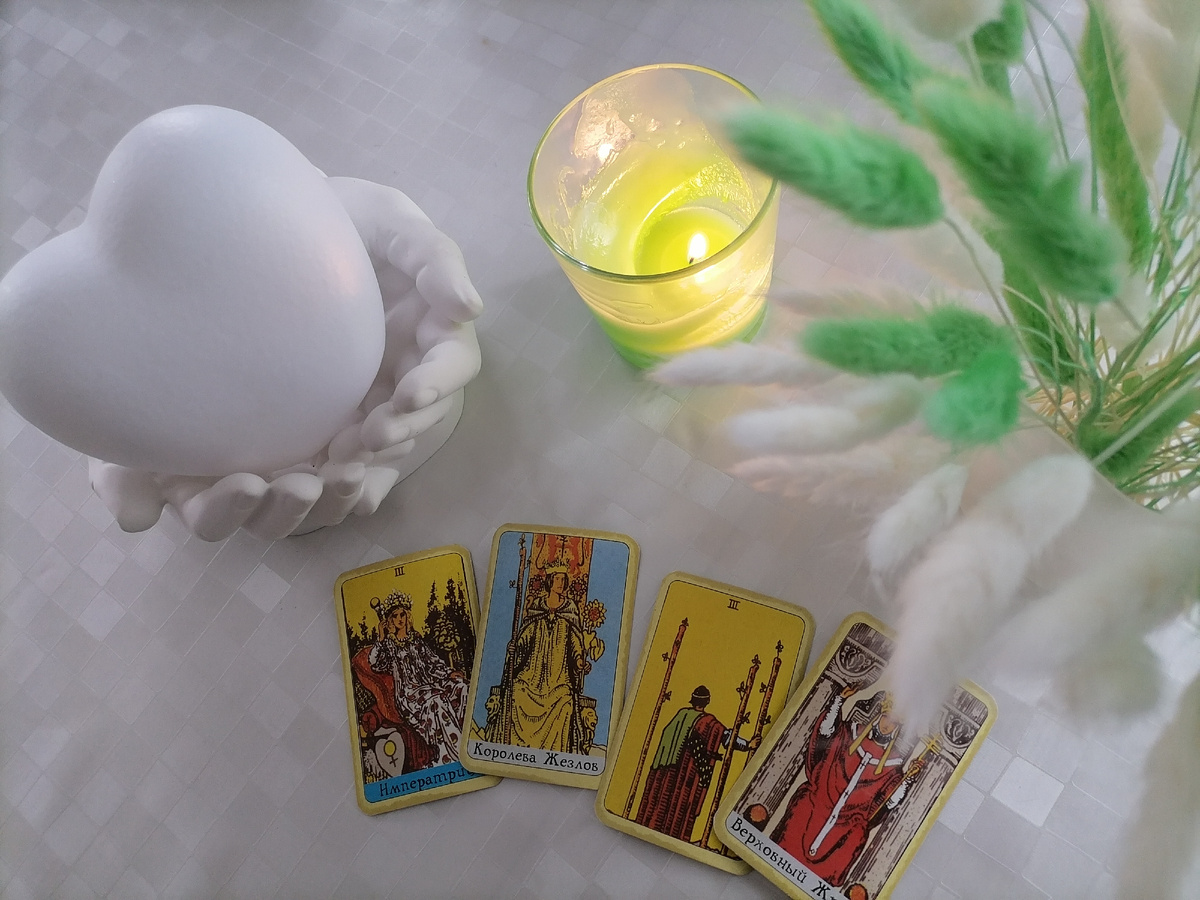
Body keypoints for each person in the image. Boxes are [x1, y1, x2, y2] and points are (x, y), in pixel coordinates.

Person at [770, 683, 925, 886]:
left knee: (856, 836)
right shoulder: (849, 733)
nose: (887, 725)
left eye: (893, 722)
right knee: (802, 805)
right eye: (886, 718)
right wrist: (839, 701)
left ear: (897, 728)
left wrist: (909, 778)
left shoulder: (892, 765)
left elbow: (887, 802)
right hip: (817, 806)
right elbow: (825, 734)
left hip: (846, 827)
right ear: (879, 716)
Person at [352, 590, 469, 769]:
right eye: (395, 616)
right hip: (409, 693)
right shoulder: (389, 644)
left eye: (402, 614)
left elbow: (431, 661)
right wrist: (381, 639)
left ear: (407, 616)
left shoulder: (416, 640)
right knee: (436, 701)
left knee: (462, 687)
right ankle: (454, 753)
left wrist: (448, 673)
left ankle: (470, 738)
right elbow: (375, 664)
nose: (400, 619)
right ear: (390, 620)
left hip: (429, 682)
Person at [635, 686, 761, 842]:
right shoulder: (708, 722)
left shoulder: (681, 715)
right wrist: (748, 745)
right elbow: (727, 737)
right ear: (707, 702)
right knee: (680, 806)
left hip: (665, 773)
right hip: (686, 778)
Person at [507, 566, 592, 752]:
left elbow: (575, 642)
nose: (561, 583)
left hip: (558, 678)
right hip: (532, 674)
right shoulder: (538, 605)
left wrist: (580, 662)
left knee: (565, 701)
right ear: (550, 581)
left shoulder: (570, 609)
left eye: (563, 580)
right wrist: (516, 647)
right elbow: (526, 635)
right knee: (518, 692)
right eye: (557, 579)